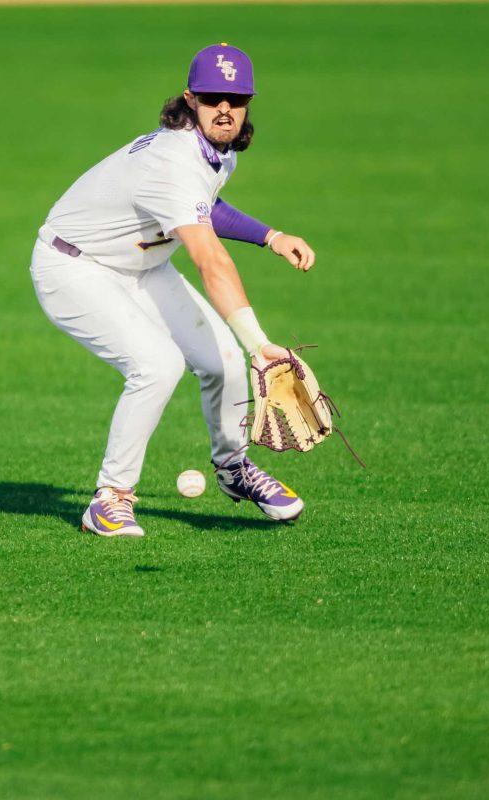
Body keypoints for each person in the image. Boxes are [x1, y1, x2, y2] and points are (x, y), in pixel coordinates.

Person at [30, 44, 313, 537]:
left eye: (236, 97)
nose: (224, 108)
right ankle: (109, 498)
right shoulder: (172, 159)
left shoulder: (217, 153)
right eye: (210, 97)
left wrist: (271, 236)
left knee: (222, 361)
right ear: (190, 99)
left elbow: (203, 208)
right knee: (156, 365)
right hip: (72, 267)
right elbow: (208, 257)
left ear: (248, 101)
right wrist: (259, 342)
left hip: (140, 265)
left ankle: (233, 468)